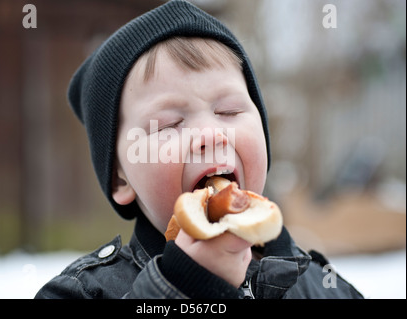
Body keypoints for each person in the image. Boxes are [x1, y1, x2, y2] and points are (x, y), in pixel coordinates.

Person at [35, 0, 363, 299]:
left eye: (229, 111)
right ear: (121, 179)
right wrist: (181, 289)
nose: (210, 133)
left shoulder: (324, 289)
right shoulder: (83, 293)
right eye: (168, 124)